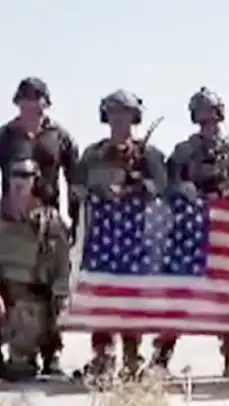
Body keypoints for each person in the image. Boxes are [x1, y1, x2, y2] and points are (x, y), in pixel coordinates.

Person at [153, 87, 229, 377]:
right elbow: (168, 186)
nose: (207, 119)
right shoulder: (184, 151)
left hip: (225, 230)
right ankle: (161, 356)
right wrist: (186, 192)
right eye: (201, 113)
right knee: (180, 294)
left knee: (227, 296)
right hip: (191, 231)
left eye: (211, 112)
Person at [72, 89, 167, 378]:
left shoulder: (149, 155)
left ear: (134, 117)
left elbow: (161, 187)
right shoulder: (93, 155)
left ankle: (132, 356)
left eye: (125, 114)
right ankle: (102, 354)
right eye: (114, 113)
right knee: (102, 294)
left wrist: (133, 184)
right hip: (101, 237)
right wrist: (98, 193)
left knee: (132, 296)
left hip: (136, 236)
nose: (119, 120)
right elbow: (77, 188)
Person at [0, 77, 79, 375]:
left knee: (51, 287)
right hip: (11, 222)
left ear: (46, 103)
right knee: (13, 286)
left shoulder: (60, 136)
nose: (31, 106)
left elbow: (74, 180)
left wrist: (76, 220)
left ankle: (52, 352)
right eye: (26, 100)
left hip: (48, 222)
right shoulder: (6, 136)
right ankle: (17, 352)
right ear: (17, 102)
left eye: (37, 100)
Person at [0, 157, 71, 381]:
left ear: (35, 181)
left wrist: (60, 297)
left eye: (26, 176)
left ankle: (38, 353)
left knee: (21, 368)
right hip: (3, 294)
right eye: (15, 174)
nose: (19, 181)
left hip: (31, 297)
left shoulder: (49, 220)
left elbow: (61, 264)